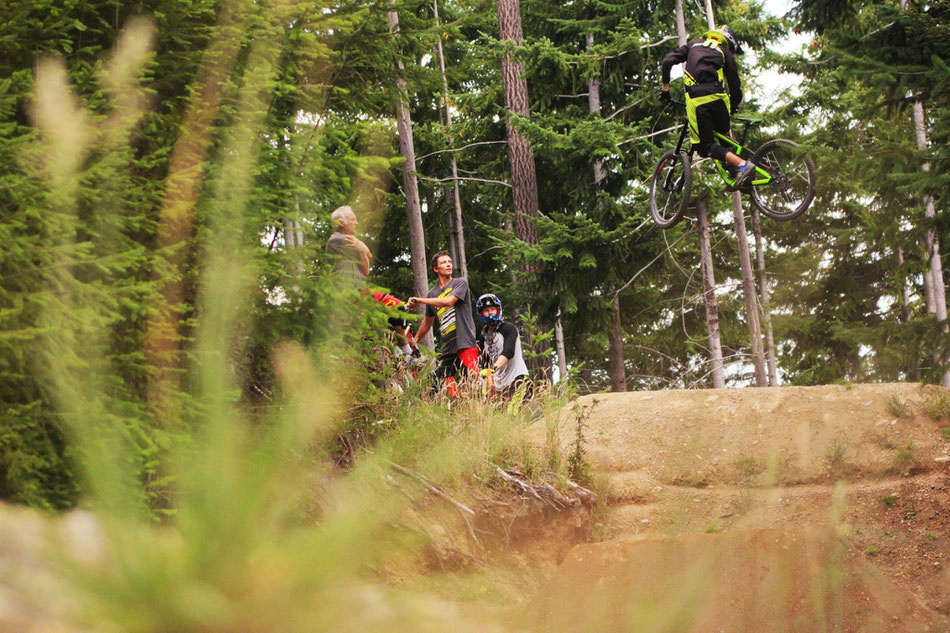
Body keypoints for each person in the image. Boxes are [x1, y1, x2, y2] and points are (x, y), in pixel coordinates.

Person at [660, 25, 757, 188]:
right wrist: (733, 106)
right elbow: (735, 85)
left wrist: (665, 90)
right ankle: (738, 176)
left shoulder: (693, 45)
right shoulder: (725, 52)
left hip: (698, 102)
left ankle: (743, 166)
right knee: (724, 137)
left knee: (705, 147)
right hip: (720, 101)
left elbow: (667, 61)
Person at [325, 205, 419, 359]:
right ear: (342, 223)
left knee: (398, 308)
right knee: (393, 310)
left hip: (361, 289)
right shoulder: (338, 239)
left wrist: (361, 248)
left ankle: (403, 351)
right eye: (353, 219)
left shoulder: (351, 242)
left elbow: (366, 268)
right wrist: (362, 247)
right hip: (349, 291)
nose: (356, 222)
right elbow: (367, 252)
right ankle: (403, 351)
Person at [406, 251, 478, 396]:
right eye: (444, 262)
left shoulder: (460, 283)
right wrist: (415, 341)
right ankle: (458, 413)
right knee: (449, 388)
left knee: (474, 383)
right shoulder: (432, 294)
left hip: (465, 343)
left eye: (450, 262)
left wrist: (419, 300)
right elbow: (427, 322)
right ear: (435, 269)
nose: (448, 265)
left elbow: (448, 301)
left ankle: (484, 412)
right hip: (447, 347)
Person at [475, 293, 530, 401]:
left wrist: (493, 369)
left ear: (498, 310)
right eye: (486, 311)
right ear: (481, 313)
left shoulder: (509, 328)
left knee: (523, 409)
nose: (490, 313)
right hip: (500, 385)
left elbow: (508, 352)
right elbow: (484, 363)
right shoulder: (483, 337)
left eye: (492, 309)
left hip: (516, 377)